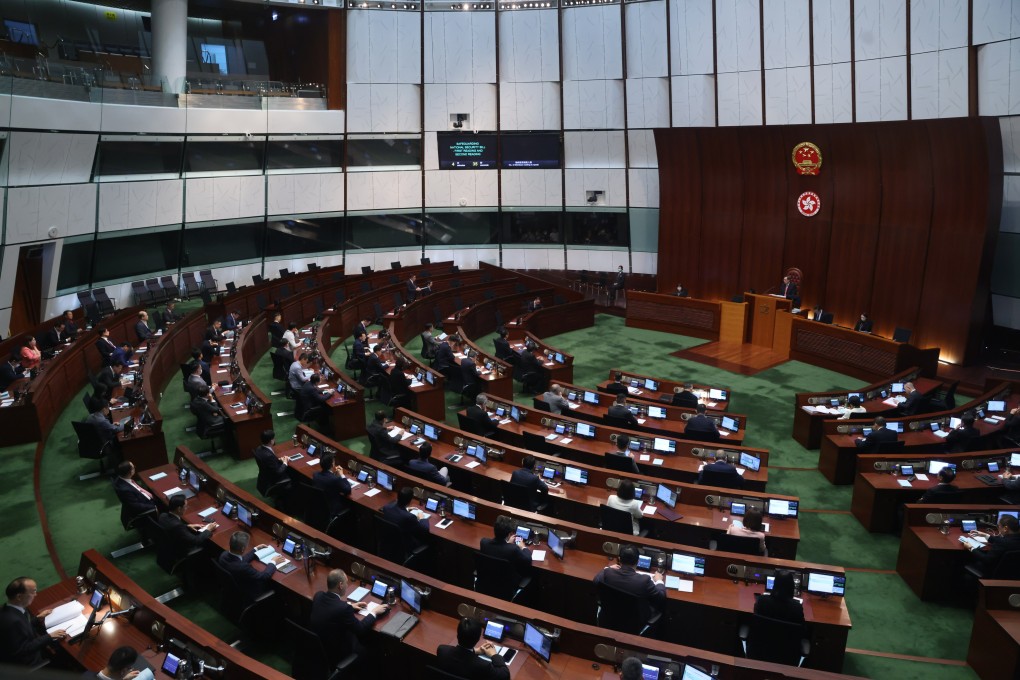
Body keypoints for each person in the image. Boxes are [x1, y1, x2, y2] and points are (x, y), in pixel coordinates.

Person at [309, 569, 388, 668]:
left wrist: (350, 605)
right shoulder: (343, 609)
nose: (347, 585)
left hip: (320, 645)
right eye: (346, 582)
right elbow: (360, 629)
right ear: (340, 585)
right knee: (372, 645)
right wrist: (374, 612)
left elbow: (332, 605)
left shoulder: (318, 595)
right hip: (338, 652)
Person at [0, 577, 67, 666]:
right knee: (63, 655)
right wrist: (50, 636)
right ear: (19, 597)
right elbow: (23, 649)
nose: (36, 594)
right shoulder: (13, 621)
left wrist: (37, 619)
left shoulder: (8, 609)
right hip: (29, 662)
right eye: (32, 592)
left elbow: (21, 630)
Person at [593, 543, 665, 611]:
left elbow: (596, 581)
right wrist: (659, 581)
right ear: (638, 561)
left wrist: (608, 568)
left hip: (610, 614)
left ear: (619, 559)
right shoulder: (644, 580)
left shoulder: (608, 573)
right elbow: (660, 597)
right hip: (635, 620)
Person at [435, 616, 510, 680]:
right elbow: (505, 676)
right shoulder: (483, 666)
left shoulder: (442, 650)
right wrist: (494, 655)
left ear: (457, 635)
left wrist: (476, 651)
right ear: (478, 639)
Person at [217, 531, 281, 601]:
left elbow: (240, 560)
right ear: (243, 549)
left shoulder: (223, 555)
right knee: (276, 586)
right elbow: (263, 576)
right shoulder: (244, 567)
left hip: (233, 586)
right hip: (248, 591)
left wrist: (255, 549)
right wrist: (273, 562)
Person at [312, 452, 352, 518]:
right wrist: (342, 475)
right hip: (332, 509)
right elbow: (348, 490)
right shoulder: (335, 479)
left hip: (319, 507)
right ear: (332, 464)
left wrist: (334, 475)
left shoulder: (315, 475)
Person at [253, 430, 290, 497]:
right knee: (293, 475)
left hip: (264, 477)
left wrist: (278, 460)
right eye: (273, 438)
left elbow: (267, 463)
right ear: (271, 441)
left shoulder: (258, 449)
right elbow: (278, 472)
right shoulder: (268, 455)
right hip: (273, 480)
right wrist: (285, 462)